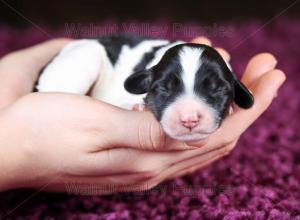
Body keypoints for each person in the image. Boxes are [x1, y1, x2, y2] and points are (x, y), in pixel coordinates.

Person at [0, 37, 285, 194]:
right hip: (97, 63)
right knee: (86, 56)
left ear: (236, 91)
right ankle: (46, 97)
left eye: (215, 91)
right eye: (166, 89)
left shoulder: (222, 76)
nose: (189, 116)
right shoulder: (137, 76)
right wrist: (19, 147)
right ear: (147, 85)